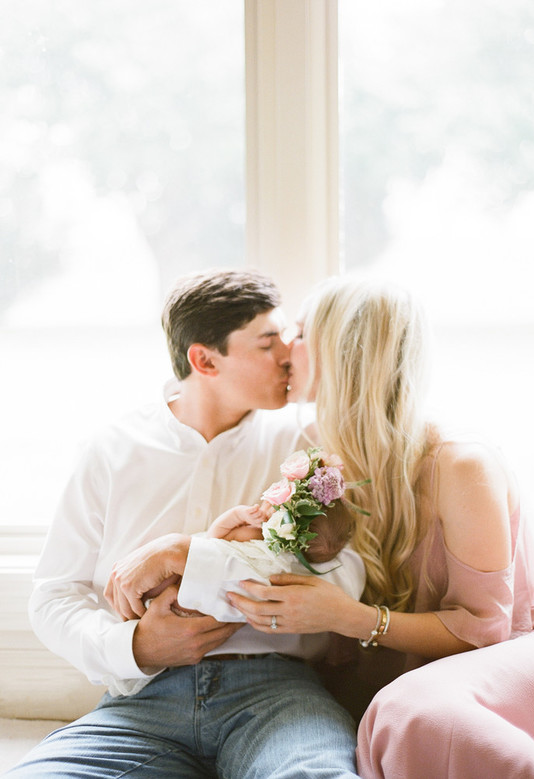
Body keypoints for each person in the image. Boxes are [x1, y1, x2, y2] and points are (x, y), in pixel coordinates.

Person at [8, 269, 364, 779]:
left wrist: (192, 554)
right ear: (204, 359)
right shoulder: (113, 449)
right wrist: (135, 647)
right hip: (140, 702)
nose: (289, 355)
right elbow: (54, 595)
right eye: (268, 343)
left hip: (277, 695)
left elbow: (346, 574)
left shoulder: (307, 445)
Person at [225, 276, 534, 778]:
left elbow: (484, 629)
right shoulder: (315, 448)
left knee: (411, 710)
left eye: (298, 334)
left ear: (339, 352)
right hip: (425, 665)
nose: (284, 350)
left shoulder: (459, 463)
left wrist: (348, 617)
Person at [139, 495, 354, 624]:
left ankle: (144, 602)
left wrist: (239, 515)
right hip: (211, 605)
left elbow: (213, 540)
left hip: (192, 579)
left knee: (164, 583)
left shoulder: (253, 534)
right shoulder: (286, 565)